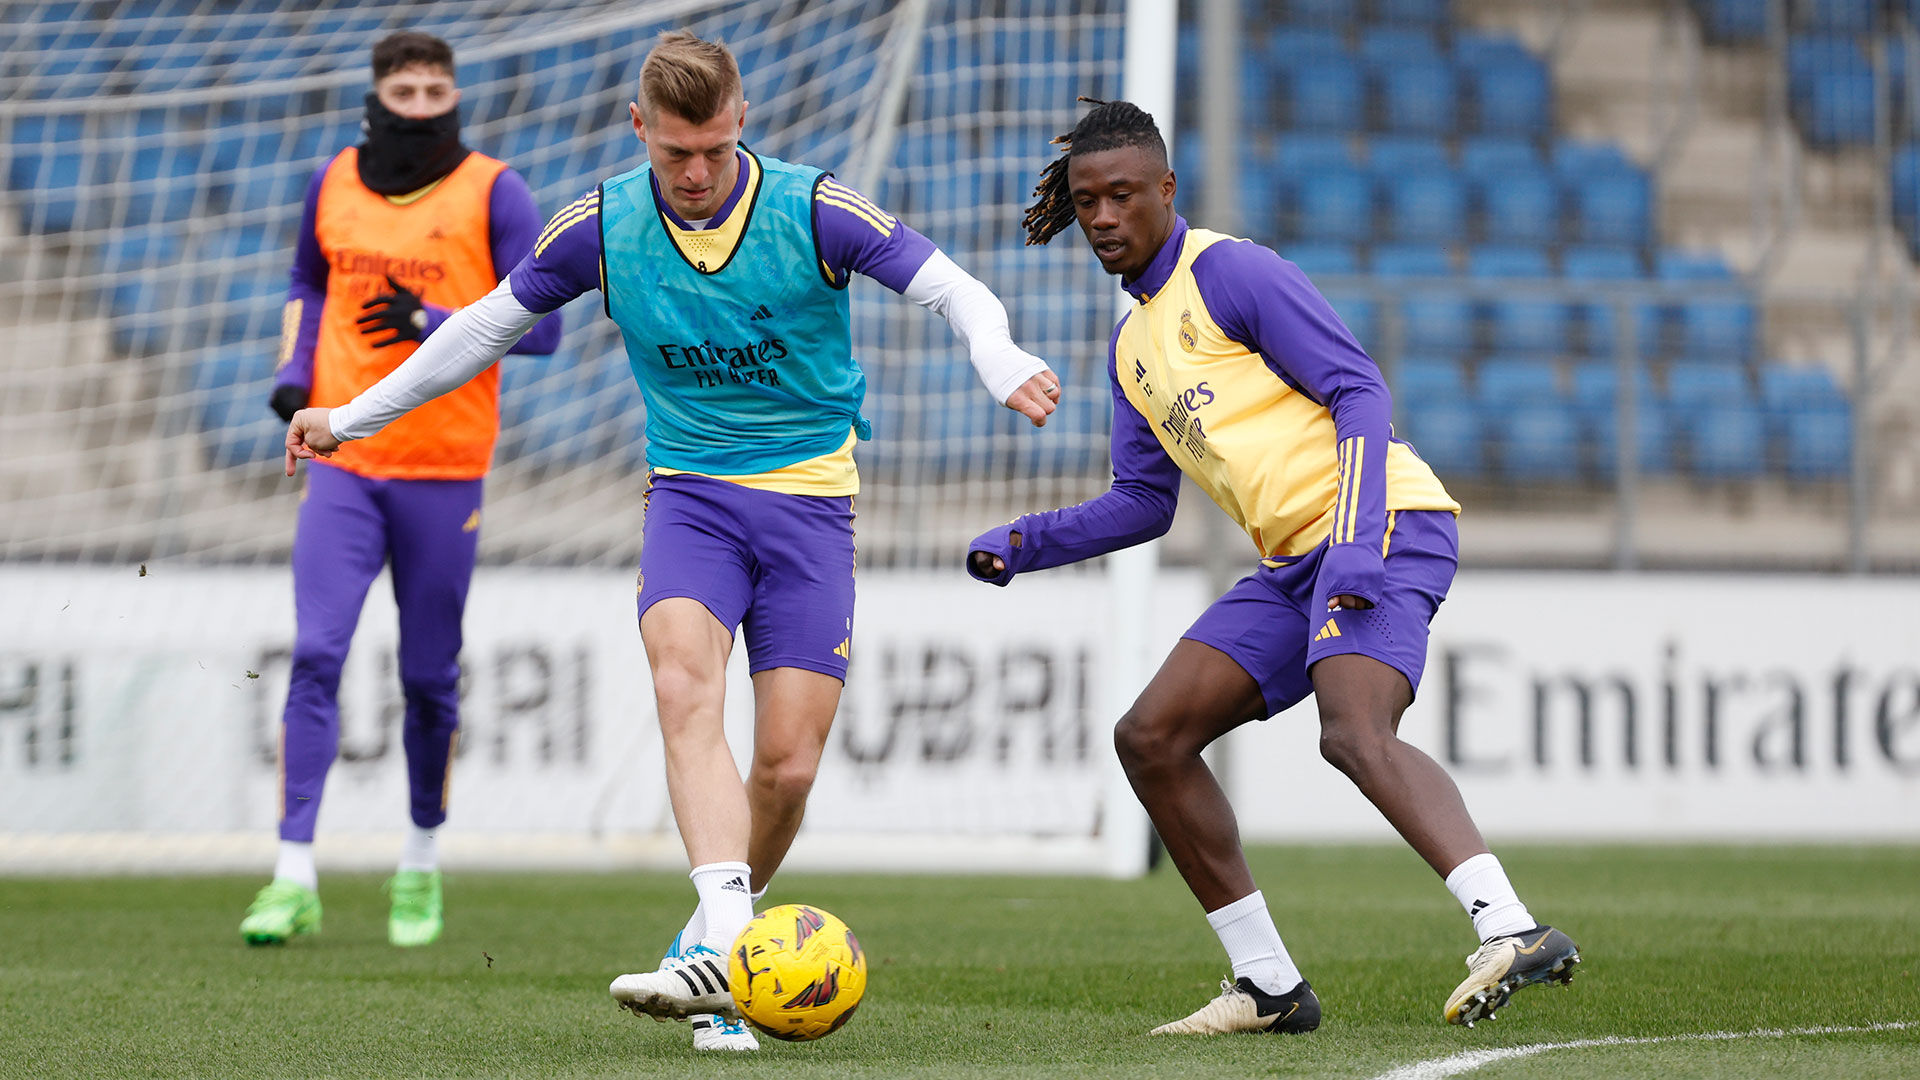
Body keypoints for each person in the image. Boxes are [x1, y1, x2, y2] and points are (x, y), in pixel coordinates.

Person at [282, 31, 1060, 1052]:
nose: (693, 176)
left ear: (741, 118)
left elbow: (955, 286)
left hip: (810, 505)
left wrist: (995, 357)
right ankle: (736, 963)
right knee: (684, 689)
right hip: (690, 497)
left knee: (785, 767)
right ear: (639, 129)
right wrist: (350, 416)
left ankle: (705, 941)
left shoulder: (813, 208)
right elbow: (479, 328)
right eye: (672, 155)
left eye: (711, 150)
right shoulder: (599, 226)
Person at [966, 99, 1579, 1034]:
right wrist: (1027, 543)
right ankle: (1268, 987)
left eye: (1122, 196)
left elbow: (1359, 391)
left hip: (1383, 523)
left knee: (1352, 730)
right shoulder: (1132, 347)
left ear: (1166, 191)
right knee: (1153, 738)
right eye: (1086, 201)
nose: (1100, 218)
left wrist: (1358, 542)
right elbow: (1143, 502)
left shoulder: (1233, 272)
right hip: (1291, 564)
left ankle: (1513, 927)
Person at [241, 30, 562, 951]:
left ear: (455, 97)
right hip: (346, 468)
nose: (421, 104)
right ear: (379, 96)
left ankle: (419, 863)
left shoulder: (496, 191)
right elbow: (308, 278)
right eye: (406, 90)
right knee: (315, 653)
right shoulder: (332, 179)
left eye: (436, 90)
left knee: (427, 679)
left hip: (444, 471)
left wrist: (433, 318)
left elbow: (542, 331)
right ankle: (291, 873)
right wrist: (297, 374)